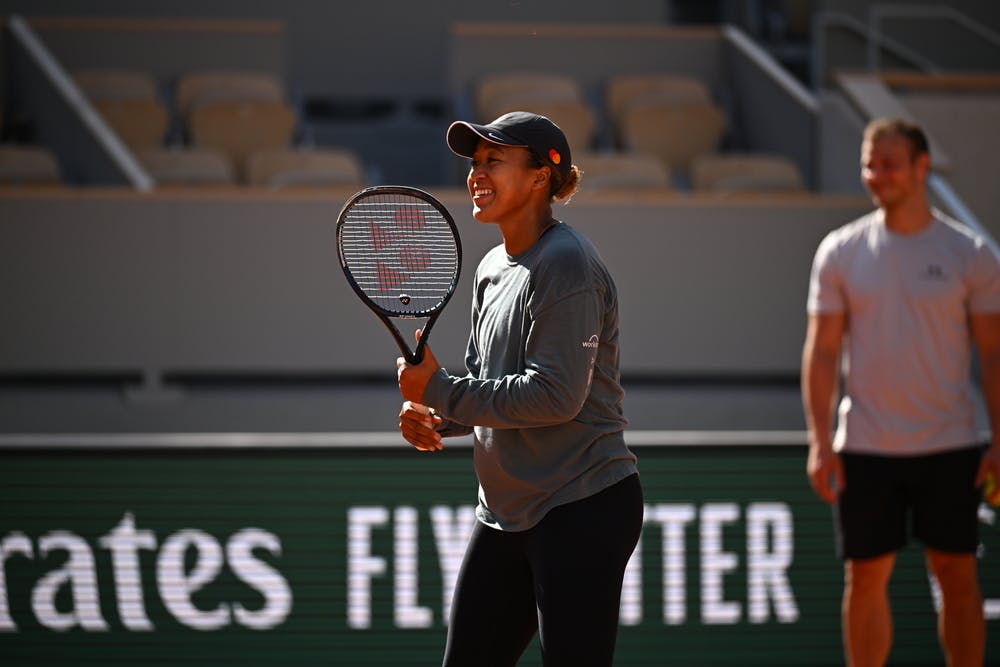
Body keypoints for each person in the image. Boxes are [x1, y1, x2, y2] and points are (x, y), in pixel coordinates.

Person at [395, 111, 643, 666]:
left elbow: (555, 397)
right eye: (475, 163)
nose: (477, 174)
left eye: (494, 161)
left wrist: (438, 388)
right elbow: (490, 390)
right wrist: (438, 415)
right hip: (506, 512)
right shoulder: (490, 267)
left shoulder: (567, 262)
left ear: (540, 177)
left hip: (582, 505)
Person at [801, 117, 1000, 667]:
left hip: (951, 442)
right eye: (870, 163)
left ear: (921, 167)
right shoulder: (840, 251)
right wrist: (821, 442)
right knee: (864, 576)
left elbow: (993, 354)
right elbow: (821, 353)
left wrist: (999, 441)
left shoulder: (972, 254)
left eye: (889, 163)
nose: (877, 174)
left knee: (956, 572)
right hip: (865, 444)